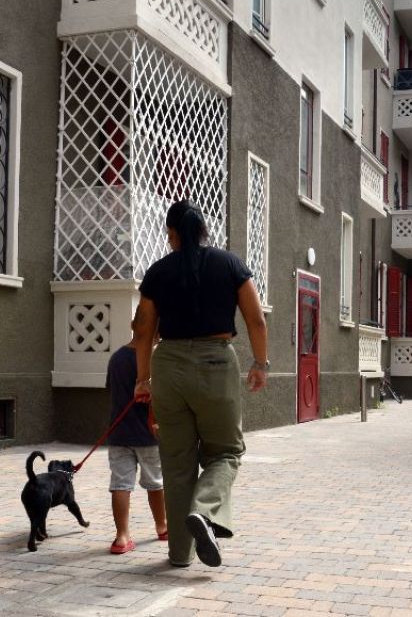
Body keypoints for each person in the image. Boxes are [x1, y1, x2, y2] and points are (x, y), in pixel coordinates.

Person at [133, 199, 268, 568]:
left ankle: (179, 555)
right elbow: (256, 319)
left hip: (168, 367)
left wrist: (142, 380)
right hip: (215, 363)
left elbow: (143, 330)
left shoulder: (158, 272)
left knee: (176, 465)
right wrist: (260, 363)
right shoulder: (230, 264)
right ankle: (206, 512)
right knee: (225, 453)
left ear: (172, 233)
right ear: (203, 230)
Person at [105, 331, 168, 555]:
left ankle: (122, 537)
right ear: (157, 332)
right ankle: (162, 526)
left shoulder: (117, 357)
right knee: (155, 482)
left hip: (118, 432)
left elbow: (111, 392)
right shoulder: (154, 359)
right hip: (147, 434)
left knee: (120, 484)